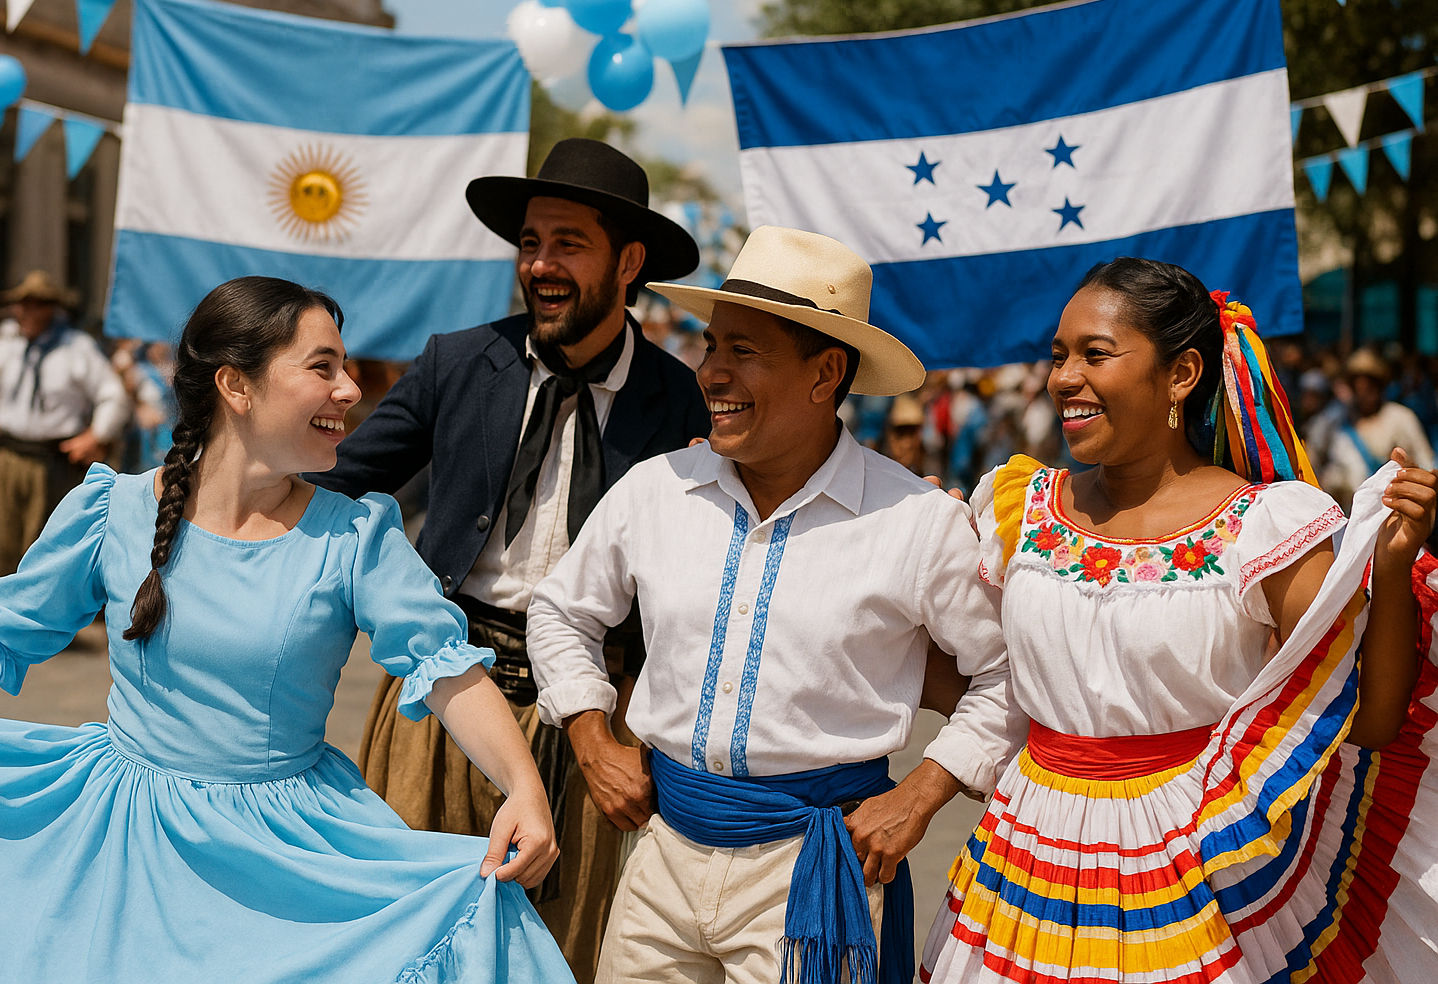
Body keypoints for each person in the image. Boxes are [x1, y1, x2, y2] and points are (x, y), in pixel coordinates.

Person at [0, 276, 573, 982]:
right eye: (322, 367)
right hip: (120, 840)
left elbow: (445, 670)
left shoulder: (354, 535)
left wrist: (524, 789)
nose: (350, 390)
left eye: (345, 368)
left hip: (286, 861)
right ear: (236, 385)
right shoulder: (111, 510)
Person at [527, 226, 1024, 984]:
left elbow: (1009, 678)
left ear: (826, 373)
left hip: (816, 869)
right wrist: (591, 739)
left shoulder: (914, 521)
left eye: (744, 352)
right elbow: (561, 611)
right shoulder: (658, 489)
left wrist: (922, 794)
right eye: (711, 346)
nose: (711, 374)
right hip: (663, 852)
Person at [920, 258, 1438, 983]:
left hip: (1198, 867)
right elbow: (979, 680)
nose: (1065, 378)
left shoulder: (1266, 528)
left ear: (1182, 374)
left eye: (1095, 354)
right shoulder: (1019, 509)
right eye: (1059, 356)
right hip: (1023, 858)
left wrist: (1389, 567)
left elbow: (1370, 723)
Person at [306, 137, 708, 980]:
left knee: (562, 950)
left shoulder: (682, 400)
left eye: (569, 243)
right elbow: (339, 479)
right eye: (530, 242)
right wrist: (217, 482)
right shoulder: (460, 361)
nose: (541, 264)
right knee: (415, 935)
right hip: (447, 691)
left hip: (599, 715)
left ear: (629, 261)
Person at [0, 270, 129, 578]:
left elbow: (113, 395)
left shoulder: (76, 348)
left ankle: (45, 624)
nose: (28, 312)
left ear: (51, 308)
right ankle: (2, 623)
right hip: (9, 458)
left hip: (53, 462)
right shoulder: (8, 348)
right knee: (5, 545)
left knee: (45, 549)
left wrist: (97, 435)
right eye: (23, 304)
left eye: (38, 304)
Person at [1322, 347, 1436, 510]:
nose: (1363, 389)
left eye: (1369, 384)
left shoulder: (1400, 417)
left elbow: (1425, 465)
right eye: (1357, 384)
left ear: (1379, 385)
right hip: (1347, 512)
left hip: (1388, 510)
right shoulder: (1337, 419)